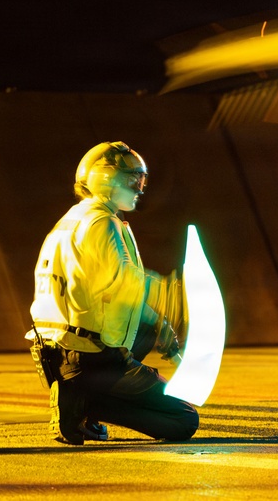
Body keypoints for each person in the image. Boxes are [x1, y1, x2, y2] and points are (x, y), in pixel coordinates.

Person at [26, 141, 198, 445]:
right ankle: (83, 404)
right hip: (89, 358)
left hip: (60, 352)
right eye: (132, 179)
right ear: (106, 179)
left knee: (147, 328)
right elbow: (125, 281)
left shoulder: (72, 219)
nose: (139, 188)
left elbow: (113, 288)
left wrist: (160, 325)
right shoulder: (101, 222)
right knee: (183, 419)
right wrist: (173, 295)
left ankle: (82, 402)